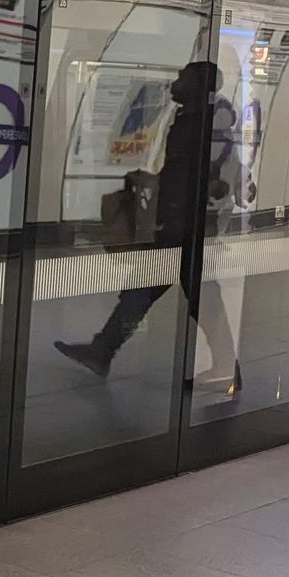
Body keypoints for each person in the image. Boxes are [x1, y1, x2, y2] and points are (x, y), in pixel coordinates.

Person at [56, 60, 240, 388]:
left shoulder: (196, 125)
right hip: (182, 227)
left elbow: (192, 180)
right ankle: (102, 351)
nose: (176, 82)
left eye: (183, 78)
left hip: (181, 230)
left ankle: (226, 367)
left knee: (188, 297)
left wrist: (166, 208)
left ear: (197, 87)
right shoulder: (197, 121)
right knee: (147, 291)